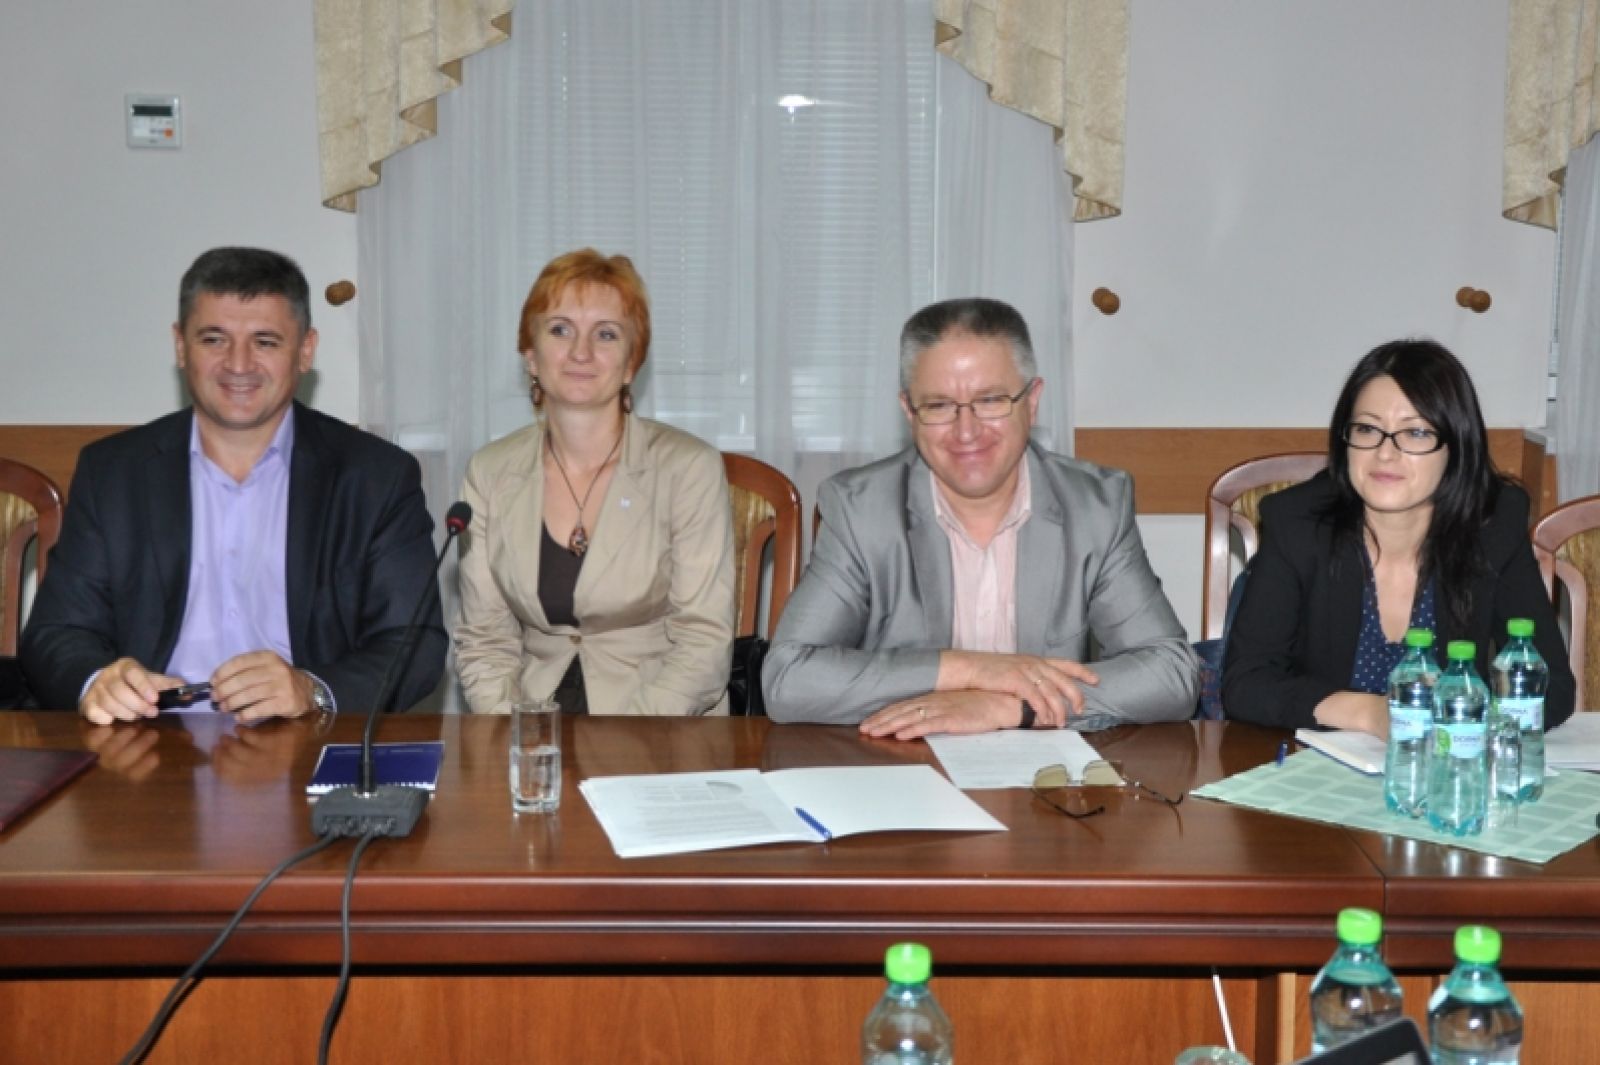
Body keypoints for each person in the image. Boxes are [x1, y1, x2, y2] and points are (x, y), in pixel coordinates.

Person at [21, 247, 447, 723]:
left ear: (305, 351)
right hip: (149, 740)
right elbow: (56, 632)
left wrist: (312, 689)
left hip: (306, 739)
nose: (238, 364)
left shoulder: (376, 476)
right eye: (214, 340)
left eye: (265, 342)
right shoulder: (113, 472)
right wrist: (97, 681)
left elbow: (415, 645)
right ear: (180, 345)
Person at [763, 297, 1200, 738]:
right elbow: (788, 679)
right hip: (903, 763)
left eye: (990, 400)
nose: (966, 431)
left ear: (1032, 401)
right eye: (938, 405)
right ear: (909, 412)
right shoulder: (861, 509)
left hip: (1043, 769)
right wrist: (973, 669)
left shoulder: (1095, 507)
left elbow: (1170, 673)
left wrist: (1012, 706)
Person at [1222, 338, 1575, 735]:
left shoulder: (1492, 526)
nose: (1385, 453)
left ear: (1457, 448)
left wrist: (1460, 723)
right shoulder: (1297, 523)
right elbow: (1245, 683)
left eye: (1416, 433)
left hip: (1447, 759)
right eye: (1367, 429)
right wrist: (1371, 714)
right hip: (1316, 758)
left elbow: (1552, 687)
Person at [454, 249, 736, 715]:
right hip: (532, 722)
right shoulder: (489, 473)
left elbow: (702, 645)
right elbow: (485, 642)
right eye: (560, 329)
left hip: (662, 723)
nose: (581, 352)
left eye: (606, 334)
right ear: (530, 356)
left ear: (631, 364)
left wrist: (623, 742)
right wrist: (518, 736)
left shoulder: (689, 469)